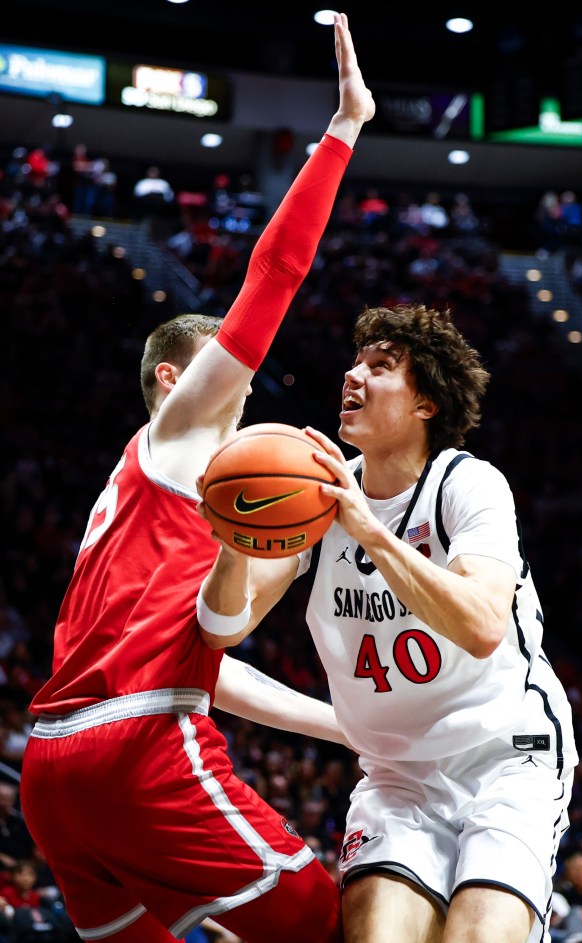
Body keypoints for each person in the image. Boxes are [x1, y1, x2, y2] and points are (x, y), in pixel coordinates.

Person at [19, 14, 375, 943]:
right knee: (328, 925)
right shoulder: (182, 428)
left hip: (54, 769)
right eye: (233, 372)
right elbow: (278, 272)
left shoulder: (146, 497)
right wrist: (342, 131)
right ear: (176, 380)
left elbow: (204, 673)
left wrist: (346, 726)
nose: (245, 387)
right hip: (136, 749)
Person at [197, 301, 579, 943]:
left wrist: (369, 530)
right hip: (397, 773)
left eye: (381, 366)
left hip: (507, 755)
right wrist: (236, 541)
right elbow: (224, 628)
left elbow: (482, 625)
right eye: (355, 361)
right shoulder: (315, 501)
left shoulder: (468, 485)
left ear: (426, 403)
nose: (354, 375)